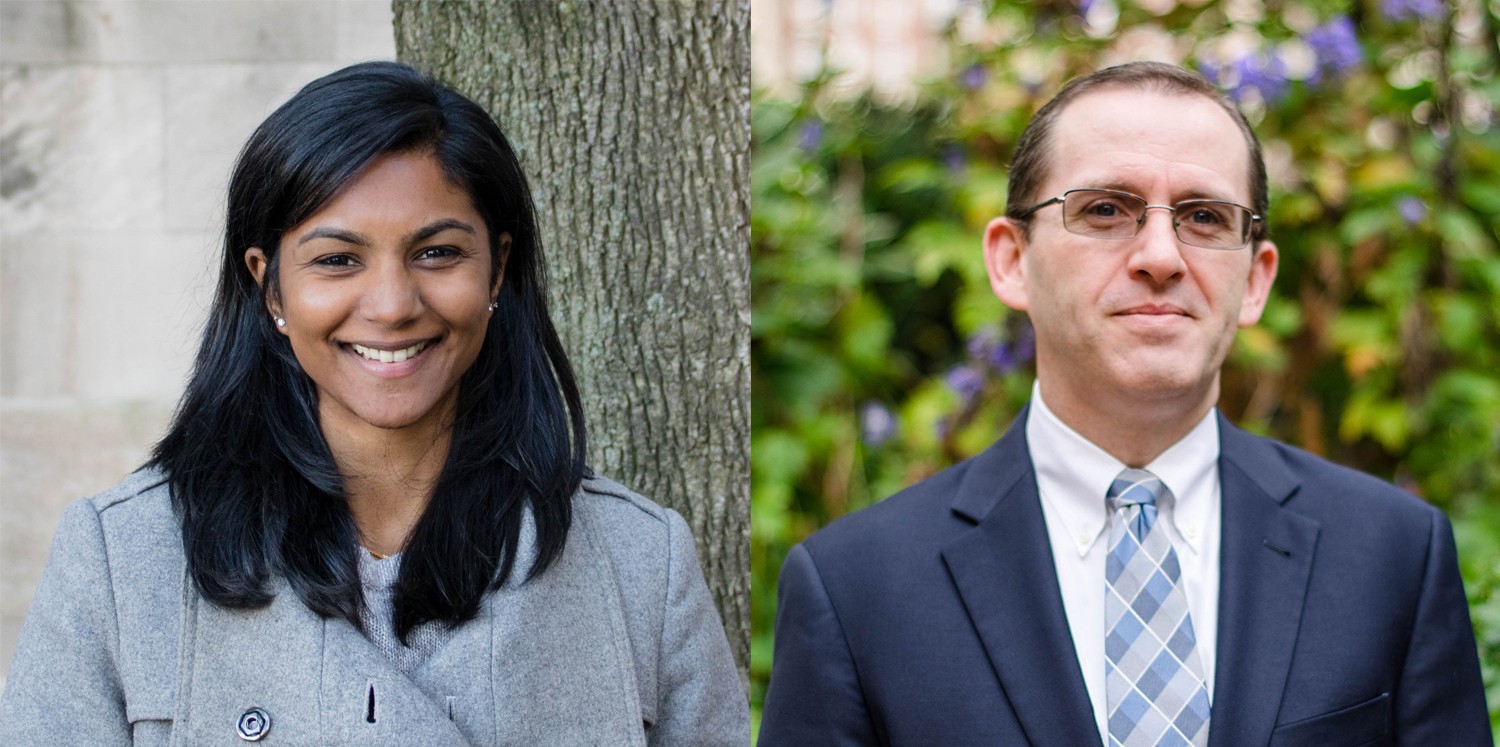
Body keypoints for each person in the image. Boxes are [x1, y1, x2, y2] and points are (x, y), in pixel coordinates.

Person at [0, 61, 746, 745]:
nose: (391, 305)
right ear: (271, 287)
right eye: (337, 260)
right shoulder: (125, 560)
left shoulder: (640, 564)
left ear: (498, 269)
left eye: (437, 253)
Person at [759, 61, 1488, 746]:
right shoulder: (856, 589)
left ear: (1257, 280)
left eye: (1205, 217)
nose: (1162, 256)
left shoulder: (1394, 556)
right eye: (1106, 209)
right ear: (1011, 261)